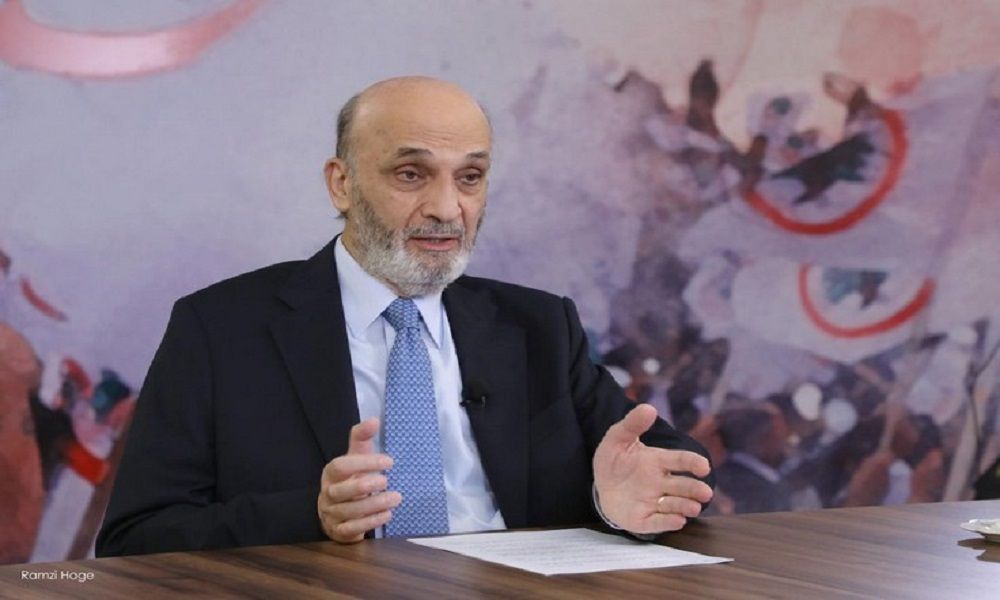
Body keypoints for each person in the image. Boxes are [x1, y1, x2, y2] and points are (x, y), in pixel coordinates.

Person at [96, 77, 714, 556]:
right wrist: (311, 515)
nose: (446, 208)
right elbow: (136, 538)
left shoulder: (539, 326)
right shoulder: (220, 328)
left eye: (470, 177)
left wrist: (614, 502)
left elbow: (668, 466)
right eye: (411, 174)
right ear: (341, 184)